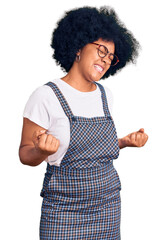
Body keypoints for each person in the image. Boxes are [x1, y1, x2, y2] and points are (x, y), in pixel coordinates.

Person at [19, 6, 148, 239]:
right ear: (78, 46)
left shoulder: (105, 94)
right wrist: (40, 150)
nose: (106, 59)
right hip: (63, 212)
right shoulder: (46, 95)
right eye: (101, 50)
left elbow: (91, 149)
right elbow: (25, 153)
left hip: (108, 208)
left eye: (111, 56)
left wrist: (123, 142)